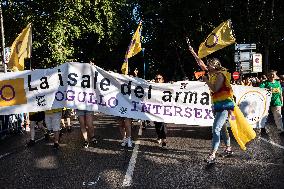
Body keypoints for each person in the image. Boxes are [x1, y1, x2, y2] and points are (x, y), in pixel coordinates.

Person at [189, 47, 234, 163]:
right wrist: (193, 52)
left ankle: (212, 155)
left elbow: (215, 88)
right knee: (223, 128)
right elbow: (200, 63)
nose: (207, 67)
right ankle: (228, 149)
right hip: (218, 104)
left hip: (224, 105)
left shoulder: (219, 75)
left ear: (215, 66)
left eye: (209, 65)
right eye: (207, 65)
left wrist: (206, 81)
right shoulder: (212, 73)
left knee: (216, 129)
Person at [259, 70, 284, 135]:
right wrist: (266, 89)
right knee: (264, 116)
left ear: (275, 75)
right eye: (270, 75)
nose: (272, 76)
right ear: (268, 76)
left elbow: (280, 93)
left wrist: (282, 102)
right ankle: (262, 129)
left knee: (278, 116)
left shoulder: (278, 83)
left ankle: (280, 130)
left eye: (273, 74)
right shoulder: (265, 83)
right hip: (266, 103)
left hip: (276, 103)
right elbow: (259, 89)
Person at [154, 74, 168, 148]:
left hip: (164, 110)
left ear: (162, 80)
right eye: (156, 79)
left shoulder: (166, 87)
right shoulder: (152, 88)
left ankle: (164, 140)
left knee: (163, 124)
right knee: (157, 126)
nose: (158, 80)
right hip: (155, 110)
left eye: (159, 79)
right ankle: (159, 136)